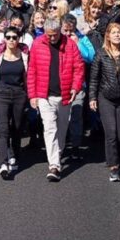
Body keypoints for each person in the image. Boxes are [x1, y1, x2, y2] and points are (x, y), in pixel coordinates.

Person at [27, 16, 85, 182]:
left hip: (65, 94)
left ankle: (57, 153)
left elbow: (78, 68)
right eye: (49, 35)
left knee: (62, 128)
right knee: (49, 127)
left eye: (54, 34)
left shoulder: (70, 44)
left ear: (60, 31)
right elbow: (32, 71)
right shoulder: (38, 44)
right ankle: (54, 165)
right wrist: (32, 95)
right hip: (44, 94)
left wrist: (75, 87)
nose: (51, 38)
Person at [88, 21, 120, 182]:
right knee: (111, 133)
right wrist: (92, 97)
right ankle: (114, 166)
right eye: (114, 32)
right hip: (106, 99)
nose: (117, 35)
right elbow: (94, 79)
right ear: (108, 36)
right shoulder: (101, 54)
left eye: (119, 32)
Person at [0, 27, 29, 180]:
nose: (11, 40)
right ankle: (3, 164)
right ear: (4, 39)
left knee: (17, 128)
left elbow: (29, 75)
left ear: (19, 39)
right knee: (3, 129)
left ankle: (14, 155)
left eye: (14, 37)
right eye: (8, 37)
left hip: (19, 94)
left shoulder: (25, 54)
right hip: (1, 94)